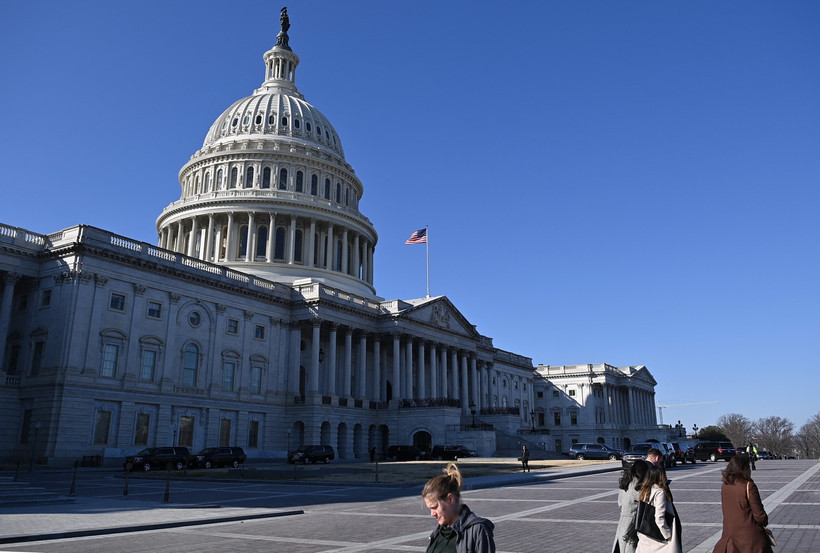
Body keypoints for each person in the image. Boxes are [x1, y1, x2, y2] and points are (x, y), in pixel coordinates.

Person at [422, 463, 496, 553]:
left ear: (450, 499)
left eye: (435, 507)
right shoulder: (438, 532)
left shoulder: (478, 530)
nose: (432, 514)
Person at [712, 454, 772, 553]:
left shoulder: (725, 485)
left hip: (730, 537)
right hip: (750, 539)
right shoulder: (749, 486)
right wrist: (764, 522)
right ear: (745, 469)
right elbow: (760, 516)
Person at [636, 463, 681, 553]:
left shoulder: (645, 490)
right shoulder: (660, 492)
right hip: (658, 537)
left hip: (645, 532)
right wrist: (667, 534)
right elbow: (659, 516)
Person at [612, 459, 650, 553]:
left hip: (623, 518)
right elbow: (646, 502)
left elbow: (620, 503)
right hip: (634, 520)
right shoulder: (639, 485)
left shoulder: (626, 481)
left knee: (621, 545)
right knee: (630, 546)